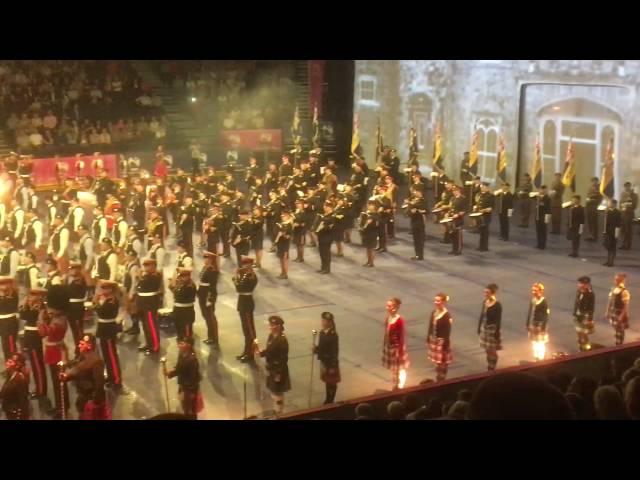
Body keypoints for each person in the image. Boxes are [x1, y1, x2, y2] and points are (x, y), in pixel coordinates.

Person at [60, 333, 109, 420]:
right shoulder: (81, 357)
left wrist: (95, 401)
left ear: (89, 346)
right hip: (82, 397)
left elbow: (99, 383)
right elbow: (76, 372)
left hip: (90, 398)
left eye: (82, 344)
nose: (79, 346)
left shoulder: (96, 361)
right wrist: (66, 377)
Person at [39, 285, 69, 419]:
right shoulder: (59, 316)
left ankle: (61, 407)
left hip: (55, 352)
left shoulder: (57, 321)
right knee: (57, 382)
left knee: (58, 383)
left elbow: (42, 332)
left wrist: (40, 318)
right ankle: (61, 405)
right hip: (57, 349)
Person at [254, 315, 290, 415]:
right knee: (273, 391)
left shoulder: (282, 340)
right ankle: (276, 410)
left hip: (278, 370)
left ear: (278, 326)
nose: (270, 327)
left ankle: (279, 412)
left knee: (277, 392)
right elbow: (270, 350)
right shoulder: (271, 336)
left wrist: (278, 373)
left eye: (273, 325)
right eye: (270, 324)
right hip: (271, 368)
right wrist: (261, 353)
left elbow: (283, 359)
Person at [93, 280, 123, 390]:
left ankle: (116, 379)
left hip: (108, 328)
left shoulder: (111, 301)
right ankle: (111, 376)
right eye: (102, 288)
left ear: (111, 289)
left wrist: (96, 302)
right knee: (106, 356)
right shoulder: (105, 299)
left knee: (111, 355)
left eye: (105, 288)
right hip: (103, 328)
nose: (103, 290)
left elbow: (101, 312)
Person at [19, 286, 47, 398]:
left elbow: (27, 316)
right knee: (35, 365)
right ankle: (39, 388)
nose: (30, 297)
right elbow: (22, 315)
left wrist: (27, 304)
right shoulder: (32, 306)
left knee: (37, 365)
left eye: (33, 295)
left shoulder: (40, 308)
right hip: (30, 336)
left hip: (34, 337)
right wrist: (26, 303)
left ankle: (41, 390)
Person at [166, 336, 203, 419]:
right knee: (185, 407)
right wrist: (170, 374)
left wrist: (188, 391)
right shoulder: (182, 354)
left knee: (190, 410)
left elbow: (192, 377)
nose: (179, 345)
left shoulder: (192, 359)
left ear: (188, 345)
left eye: (182, 343)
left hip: (189, 388)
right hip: (184, 386)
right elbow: (179, 368)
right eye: (179, 343)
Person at [135, 258, 163, 355]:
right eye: (145, 265)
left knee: (151, 325)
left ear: (153, 266)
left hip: (150, 304)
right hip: (142, 303)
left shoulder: (155, 275)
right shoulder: (146, 275)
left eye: (148, 265)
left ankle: (155, 345)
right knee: (145, 325)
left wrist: (140, 276)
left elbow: (145, 284)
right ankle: (149, 343)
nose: (145, 267)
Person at [233, 256, 258, 363]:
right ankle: (246, 351)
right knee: (245, 330)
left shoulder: (251, 276)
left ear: (250, 265)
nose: (244, 266)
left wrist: (235, 277)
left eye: (246, 264)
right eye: (243, 264)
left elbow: (239, 287)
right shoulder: (244, 275)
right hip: (243, 303)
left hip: (247, 304)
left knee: (249, 330)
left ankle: (251, 353)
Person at [382, 298, 409, 390]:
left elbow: (401, 337)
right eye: (387, 306)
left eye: (389, 306)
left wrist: (400, 351)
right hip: (390, 346)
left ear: (395, 308)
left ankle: (396, 385)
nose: (387, 308)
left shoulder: (399, 320)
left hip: (397, 348)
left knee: (396, 369)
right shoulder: (388, 318)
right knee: (393, 369)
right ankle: (395, 384)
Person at [313, 312, 341, 404]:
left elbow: (334, 351)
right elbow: (322, 347)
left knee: (332, 383)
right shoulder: (322, 333)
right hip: (324, 361)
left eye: (325, 321)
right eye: (322, 320)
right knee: (327, 381)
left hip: (330, 362)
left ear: (330, 322)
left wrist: (333, 366)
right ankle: (328, 398)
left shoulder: (333, 335)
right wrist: (316, 349)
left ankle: (330, 400)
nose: (323, 322)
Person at [427, 293, 453, 381]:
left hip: (442, 342)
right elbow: (431, 326)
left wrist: (445, 343)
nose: (436, 302)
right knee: (437, 364)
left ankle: (442, 379)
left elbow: (447, 331)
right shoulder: (434, 312)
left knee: (442, 363)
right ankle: (439, 377)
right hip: (434, 340)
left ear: (444, 302)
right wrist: (428, 336)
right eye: (435, 300)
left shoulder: (446, 315)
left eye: (438, 301)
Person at [477, 284, 502, 371]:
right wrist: (479, 327)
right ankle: (489, 364)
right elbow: (482, 315)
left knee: (492, 350)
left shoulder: (497, 305)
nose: (485, 294)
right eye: (485, 292)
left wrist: (496, 333)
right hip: (484, 328)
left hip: (492, 330)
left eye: (487, 292)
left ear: (492, 293)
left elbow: (498, 320)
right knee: (487, 350)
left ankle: (492, 367)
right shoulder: (485, 302)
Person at [0, 352, 30, 419]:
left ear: (17, 365)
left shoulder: (19, 380)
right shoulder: (10, 376)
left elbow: (23, 401)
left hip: (15, 413)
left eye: (10, 362)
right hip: (10, 411)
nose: (7, 363)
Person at [65, 261, 87, 353]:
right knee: (74, 329)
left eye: (74, 269)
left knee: (78, 329)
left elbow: (75, 292)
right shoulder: (68, 279)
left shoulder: (79, 280)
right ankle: (77, 348)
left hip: (77, 306)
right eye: (71, 269)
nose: (72, 271)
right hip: (70, 306)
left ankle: (82, 349)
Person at [170, 268, 197, 341]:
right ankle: (181, 344)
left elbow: (180, 295)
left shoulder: (190, 286)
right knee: (179, 330)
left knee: (187, 333)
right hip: (178, 310)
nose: (181, 278)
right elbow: (172, 288)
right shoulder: (180, 284)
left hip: (186, 311)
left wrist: (175, 285)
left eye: (183, 276)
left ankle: (189, 348)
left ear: (188, 276)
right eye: (181, 276)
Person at [526, 283, 550, 361]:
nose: (533, 292)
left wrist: (543, 326)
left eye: (535, 290)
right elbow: (530, 312)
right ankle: (536, 356)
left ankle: (541, 357)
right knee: (534, 341)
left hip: (540, 324)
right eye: (533, 290)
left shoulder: (543, 301)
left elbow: (546, 315)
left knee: (540, 342)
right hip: (533, 323)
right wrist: (527, 323)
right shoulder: (533, 300)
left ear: (540, 291)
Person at [606, 273, 630, 345]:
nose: (616, 281)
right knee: (615, 327)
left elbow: (626, 305)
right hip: (614, 312)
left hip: (619, 313)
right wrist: (607, 311)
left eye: (618, 280)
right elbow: (610, 300)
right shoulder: (613, 289)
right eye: (615, 280)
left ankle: (619, 344)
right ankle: (617, 339)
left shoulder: (624, 291)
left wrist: (621, 316)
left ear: (622, 281)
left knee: (620, 330)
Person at [404, 188, 427, 260]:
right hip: (413, 221)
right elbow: (407, 211)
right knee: (415, 239)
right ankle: (417, 254)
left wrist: (418, 210)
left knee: (420, 239)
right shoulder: (413, 201)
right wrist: (411, 211)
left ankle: (420, 255)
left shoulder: (423, 201)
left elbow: (426, 210)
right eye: (415, 192)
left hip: (420, 221)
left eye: (417, 192)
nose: (415, 193)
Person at [573, 276, 595, 352]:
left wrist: (590, 319)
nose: (580, 285)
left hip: (584, 317)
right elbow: (576, 303)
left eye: (582, 283)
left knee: (584, 334)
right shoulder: (579, 291)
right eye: (579, 283)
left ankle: (586, 349)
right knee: (579, 333)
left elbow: (591, 308)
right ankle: (580, 347)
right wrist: (574, 313)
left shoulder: (590, 294)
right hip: (578, 316)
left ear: (587, 284)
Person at [0, 276, 19, 362]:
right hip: (3, 322)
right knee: (5, 347)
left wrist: (3, 296)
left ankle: (14, 370)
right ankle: (9, 368)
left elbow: (9, 307)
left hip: (9, 323)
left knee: (11, 348)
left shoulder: (12, 294)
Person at [123, 247, 141, 335]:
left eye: (128, 255)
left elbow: (134, 281)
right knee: (130, 310)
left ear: (132, 256)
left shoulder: (134, 267)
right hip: (127, 290)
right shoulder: (128, 265)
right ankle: (133, 326)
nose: (126, 256)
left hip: (132, 291)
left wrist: (131, 293)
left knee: (134, 310)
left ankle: (136, 326)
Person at [314, 201, 336, 274]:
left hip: (327, 237)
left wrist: (322, 228)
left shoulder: (332, 216)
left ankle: (327, 269)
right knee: (322, 253)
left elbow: (330, 227)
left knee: (326, 253)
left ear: (330, 207)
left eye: (326, 206)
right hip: (321, 236)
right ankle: (323, 267)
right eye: (324, 206)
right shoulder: (324, 215)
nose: (324, 208)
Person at [475, 182, 494, 252]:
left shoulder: (490, 196)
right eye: (481, 187)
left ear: (487, 187)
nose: (481, 188)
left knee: (485, 232)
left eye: (483, 187)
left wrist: (484, 210)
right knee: (481, 231)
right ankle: (480, 246)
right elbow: (478, 203)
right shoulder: (480, 194)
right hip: (479, 215)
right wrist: (476, 208)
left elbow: (491, 208)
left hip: (486, 216)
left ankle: (485, 247)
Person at [602, 198, 622, 267]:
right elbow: (605, 222)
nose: (608, 204)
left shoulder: (618, 212)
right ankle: (608, 261)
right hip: (607, 231)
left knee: (613, 247)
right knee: (608, 246)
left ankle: (611, 261)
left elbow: (618, 224)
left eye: (610, 203)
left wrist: (616, 234)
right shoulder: (607, 212)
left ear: (614, 204)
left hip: (614, 231)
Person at [359, 201, 379, 267]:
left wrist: (372, 221)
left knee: (371, 248)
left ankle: (371, 262)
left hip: (373, 233)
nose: (369, 206)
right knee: (367, 248)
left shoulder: (376, 215)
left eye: (371, 205)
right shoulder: (366, 214)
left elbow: (378, 224)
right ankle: (368, 261)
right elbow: (362, 222)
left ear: (375, 206)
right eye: (368, 205)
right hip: (366, 232)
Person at [447, 187, 466, 255]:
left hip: (458, 219)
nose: (454, 192)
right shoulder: (452, 198)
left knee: (458, 236)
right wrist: (448, 214)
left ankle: (458, 250)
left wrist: (458, 214)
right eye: (453, 191)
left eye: (455, 190)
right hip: (452, 218)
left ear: (459, 191)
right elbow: (451, 207)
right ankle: (453, 249)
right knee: (453, 235)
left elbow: (464, 210)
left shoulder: (463, 199)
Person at [275, 210, 293, 279]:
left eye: (284, 215)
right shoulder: (280, 223)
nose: (282, 217)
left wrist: (283, 234)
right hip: (280, 243)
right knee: (281, 258)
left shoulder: (289, 224)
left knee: (285, 259)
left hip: (285, 243)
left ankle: (285, 274)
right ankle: (282, 272)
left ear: (288, 216)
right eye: (282, 215)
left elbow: (289, 236)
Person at [620, 182, 638, 250]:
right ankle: (624, 244)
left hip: (629, 214)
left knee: (628, 230)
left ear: (630, 187)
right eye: (625, 187)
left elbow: (634, 205)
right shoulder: (623, 194)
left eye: (628, 186)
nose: (626, 188)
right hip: (623, 214)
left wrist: (627, 204)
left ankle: (628, 245)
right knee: (623, 230)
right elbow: (620, 203)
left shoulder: (634, 195)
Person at [585, 177, 603, 241]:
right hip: (588, 206)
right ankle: (590, 235)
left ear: (597, 181)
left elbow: (599, 199)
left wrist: (592, 200)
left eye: (595, 181)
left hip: (594, 206)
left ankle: (595, 236)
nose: (593, 183)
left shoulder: (599, 189)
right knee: (589, 221)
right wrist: (587, 200)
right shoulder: (590, 188)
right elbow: (588, 196)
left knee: (594, 222)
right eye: (592, 181)